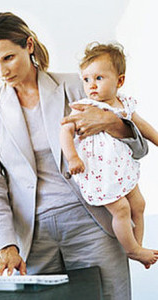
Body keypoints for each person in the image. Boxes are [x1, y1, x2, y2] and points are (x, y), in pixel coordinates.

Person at [0, 12, 148, 300]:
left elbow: (138, 148)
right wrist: (7, 245)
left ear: (28, 46)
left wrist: (110, 123)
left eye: (8, 58)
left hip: (91, 223)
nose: (1, 71)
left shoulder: (79, 85)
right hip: (34, 236)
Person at [60, 42, 158, 269]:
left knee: (139, 204)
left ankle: (138, 245)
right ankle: (131, 249)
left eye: (99, 78)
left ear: (119, 81)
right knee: (122, 210)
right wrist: (72, 157)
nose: (91, 85)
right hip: (99, 173)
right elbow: (65, 129)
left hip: (121, 167)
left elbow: (142, 126)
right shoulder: (83, 106)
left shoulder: (125, 104)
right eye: (86, 79)